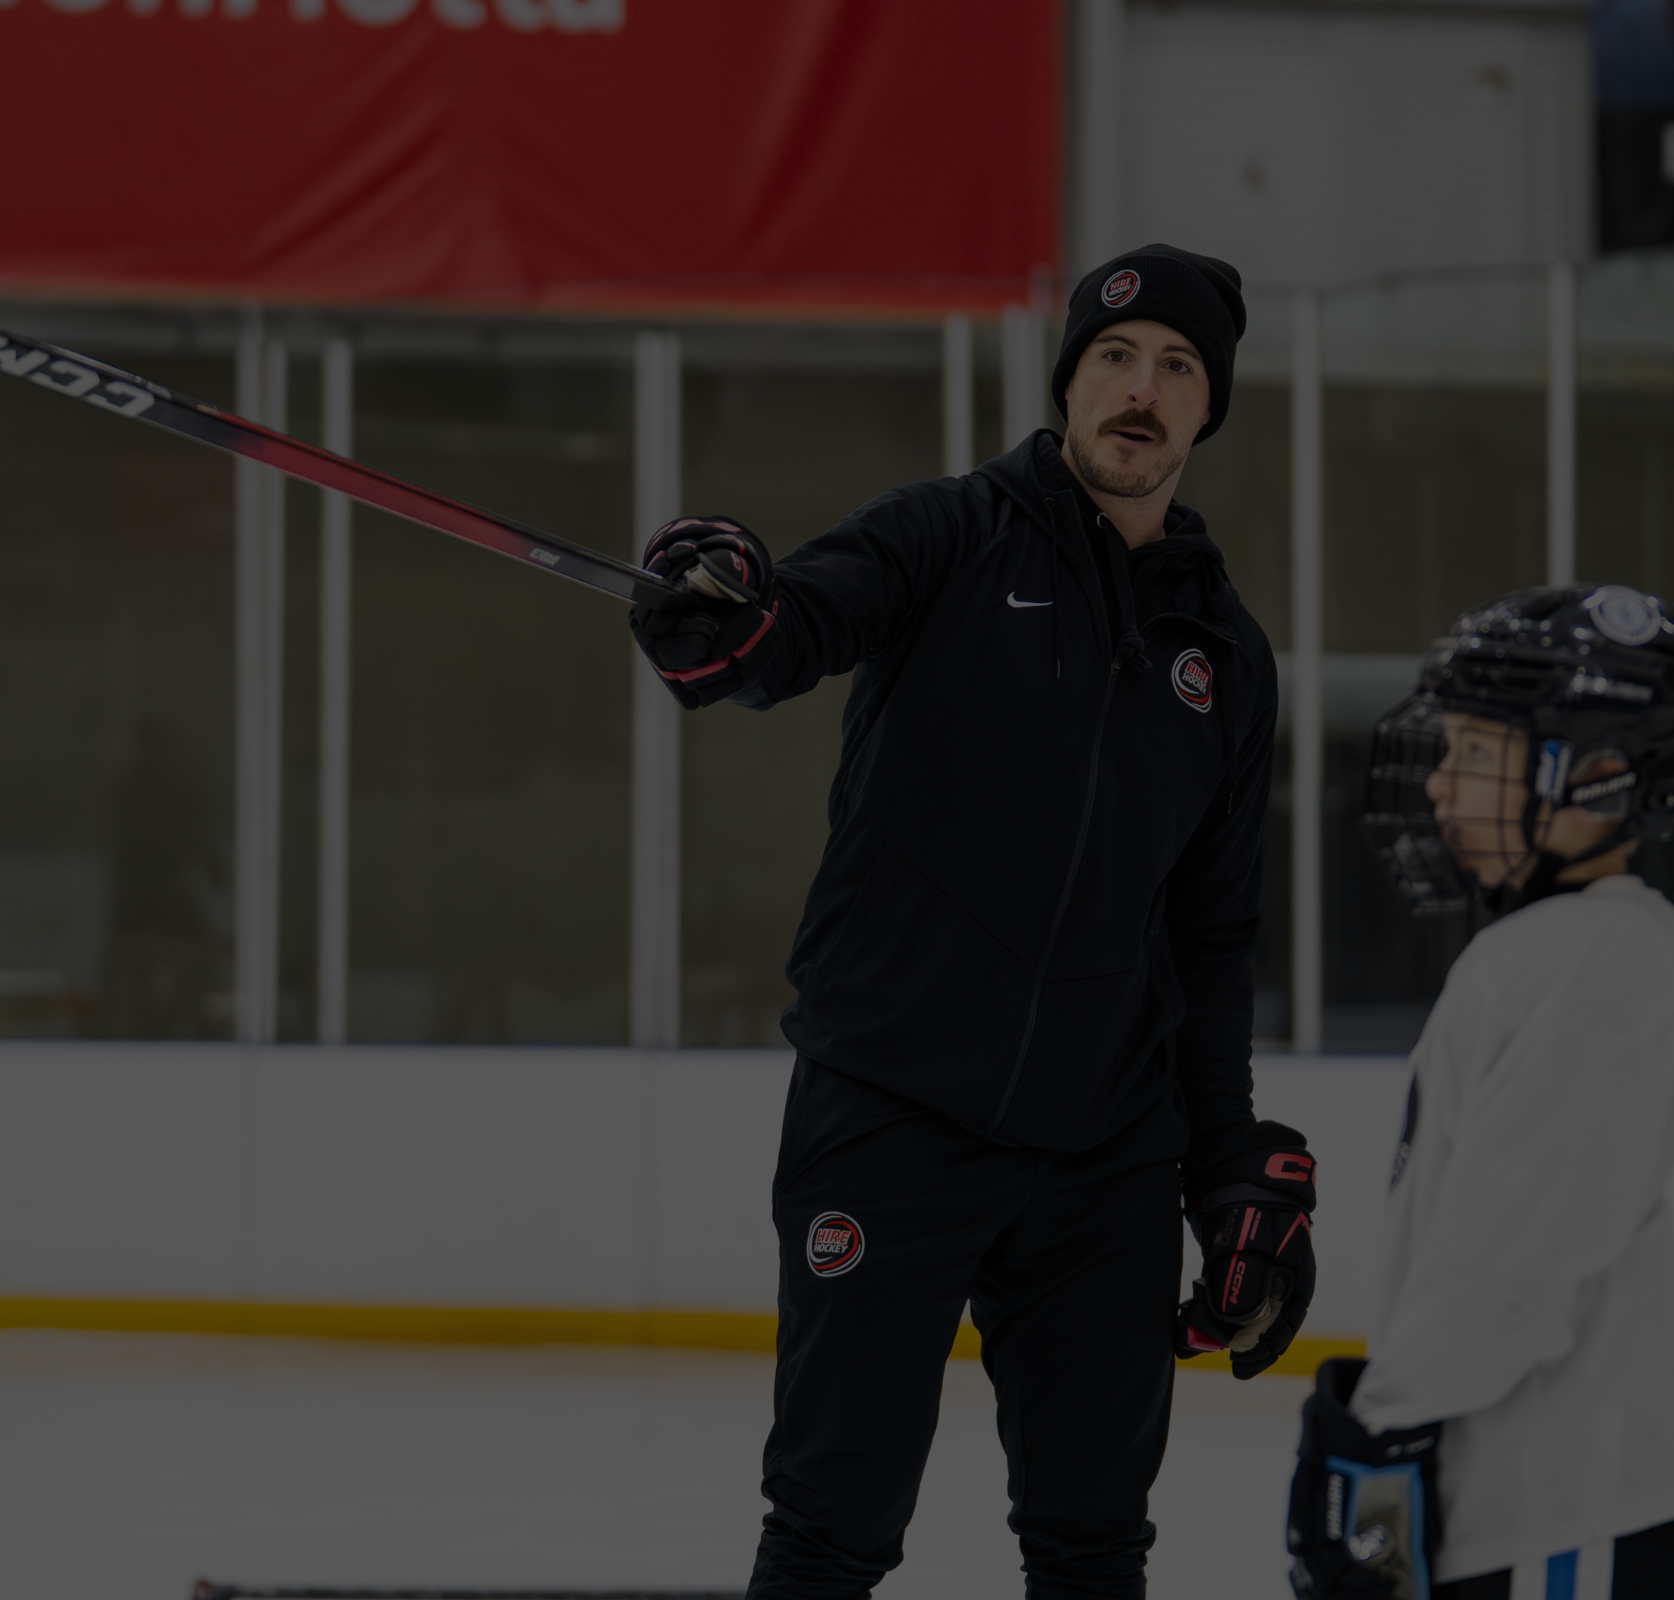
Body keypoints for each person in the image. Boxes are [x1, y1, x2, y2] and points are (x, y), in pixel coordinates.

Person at [629, 244, 1318, 1600]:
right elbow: (787, 634)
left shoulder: (1225, 656)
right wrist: (726, 620)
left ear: (1207, 409)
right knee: (833, 1528)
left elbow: (1211, 941)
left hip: (1103, 1156)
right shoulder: (945, 534)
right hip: (891, 1114)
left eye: (1179, 368)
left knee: (1093, 1541)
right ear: (1069, 379)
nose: (1144, 387)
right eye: (1116, 357)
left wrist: (1225, 1161)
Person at [1289, 584, 1674, 1600]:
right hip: (1544, 1505)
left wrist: (1376, 1429)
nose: (1436, 787)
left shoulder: (1596, 966)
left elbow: (1515, 1262)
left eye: (1472, 753)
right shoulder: (1575, 952)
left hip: (1565, 1515)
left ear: (1590, 775)